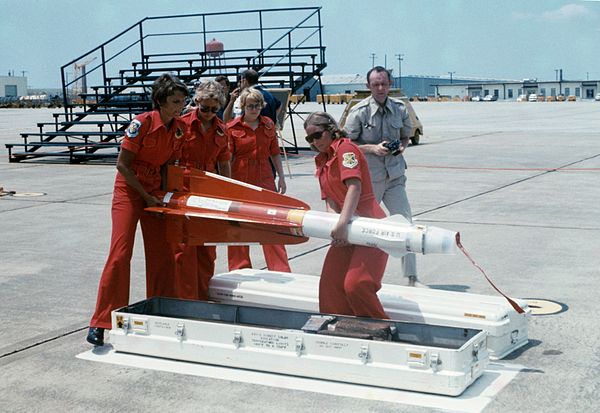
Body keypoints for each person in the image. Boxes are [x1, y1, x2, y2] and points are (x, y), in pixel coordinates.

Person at [87, 73, 188, 346]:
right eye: (176, 101)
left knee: (163, 254)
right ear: (160, 101)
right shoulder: (141, 124)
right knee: (120, 254)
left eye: (183, 100)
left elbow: (172, 166)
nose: (181, 106)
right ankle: (101, 321)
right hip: (130, 190)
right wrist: (145, 196)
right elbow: (123, 165)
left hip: (155, 192)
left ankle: (163, 311)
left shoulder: (179, 129)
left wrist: (167, 197)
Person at [303, 112, 388, 319]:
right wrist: (335, 224)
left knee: (356, 284)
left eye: (317, 135)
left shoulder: (346, 150)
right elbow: (330, 198)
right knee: (329, 286)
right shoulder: (321, 159)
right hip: (346, 227)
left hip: (371, 226)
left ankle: (379, 327)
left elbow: (354, 188)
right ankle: (340, 329)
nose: (314, 142)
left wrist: (341, 223)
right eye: (309, 139)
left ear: (331, 130)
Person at [344, 66, 422, 287]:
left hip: (395, 176)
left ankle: (412, 278)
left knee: (406, 224)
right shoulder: (358, 112)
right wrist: (372, 149)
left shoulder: (399, 108)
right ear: (368, 86)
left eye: (384, 84)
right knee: (363, 227)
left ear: (390, 85)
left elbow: (406, 136)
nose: (380, 88)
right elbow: (346, 145)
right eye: (375, 84)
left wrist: (401, 147)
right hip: (370, 179)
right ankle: (356, 275)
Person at [175, 80, 231, 300]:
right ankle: (186, 298)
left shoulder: (221, 130)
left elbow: (224, 163)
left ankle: (202, 295)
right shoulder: (182, 124)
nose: (208, 113)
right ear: (196, 101)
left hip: (209, 190)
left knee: (207, 250)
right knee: (185, 250)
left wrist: (228, 192)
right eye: (204, 108)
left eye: (214, 109)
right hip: (184, 188)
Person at [226, 88, 290, 272]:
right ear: (243, 107)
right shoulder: (232, 128)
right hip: (240, 179)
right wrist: (227, 183)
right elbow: (227, 158)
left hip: (265, 178)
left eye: (257, 105)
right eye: (250, 106)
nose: (254, 109)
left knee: (272, 222)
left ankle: (279, 268)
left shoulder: (268, 125)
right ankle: (239, 267)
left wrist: (282, 177)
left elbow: (275, 153)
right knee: (237, 224)